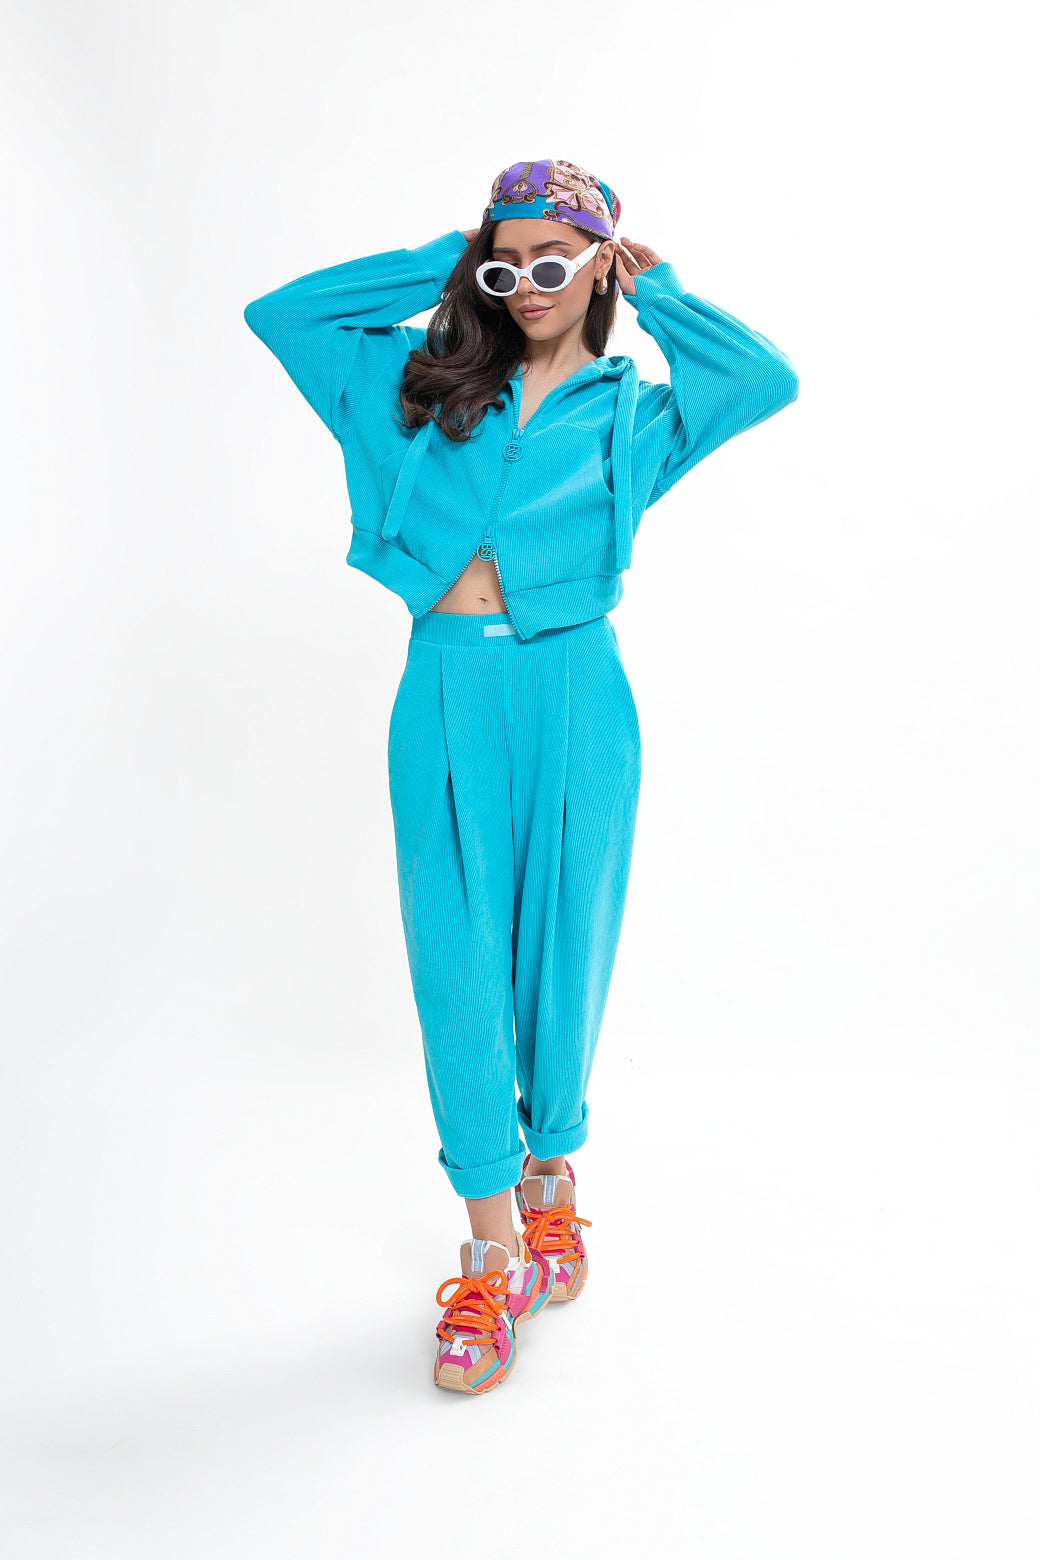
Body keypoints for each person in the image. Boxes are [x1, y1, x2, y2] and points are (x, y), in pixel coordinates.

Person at [243, 156, 799, 1395]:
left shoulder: (630, 414)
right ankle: (490, 1254)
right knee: (455, 964)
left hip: (576, 693)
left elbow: (761, 380)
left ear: (598, 265)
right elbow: (281, 315)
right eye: (506, 266)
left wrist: (658, 293)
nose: (529, 284)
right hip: (445, 690)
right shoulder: (414, 386)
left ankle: (551, 1182)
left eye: (554, 260)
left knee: (563, 946)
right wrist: (452, 256)